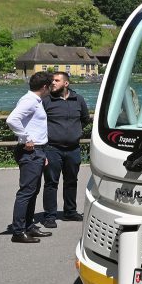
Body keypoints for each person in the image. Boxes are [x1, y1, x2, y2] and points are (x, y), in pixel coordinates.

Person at [5, 72, 54, 243]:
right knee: (26, 192)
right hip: (31, 152)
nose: (52, 88)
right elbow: (12, 120)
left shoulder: (35, 101)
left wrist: (42, 154)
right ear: (45, 87)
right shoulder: (29, 101)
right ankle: (18, 231)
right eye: (51, 85)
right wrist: (26, 138)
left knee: (33, 191)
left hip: (38, 152)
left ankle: (28, 226)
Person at [41, 71, 90, 227]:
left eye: (56, 80)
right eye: (51, 80)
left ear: (66, 83)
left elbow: (85, 119)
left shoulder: (78, 100)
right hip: (52, 148)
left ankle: (70, 212)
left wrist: (75, 132)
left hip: (73, 149)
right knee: (51, 183)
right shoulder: (46, 101)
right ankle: (49, 216)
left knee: (71, 181)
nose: (52, 83)